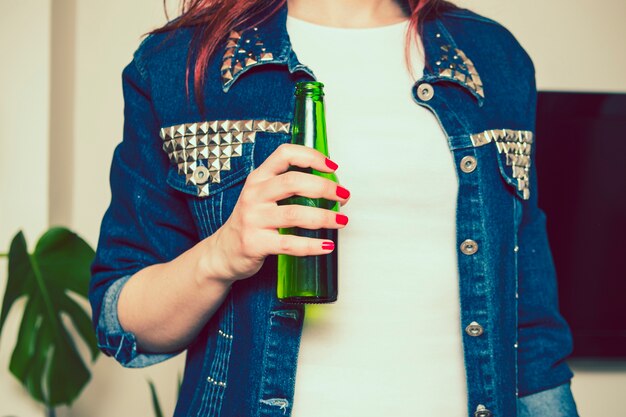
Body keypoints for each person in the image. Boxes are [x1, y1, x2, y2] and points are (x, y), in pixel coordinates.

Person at [88, 0, 579, 416]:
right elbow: (120, 318)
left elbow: (531, 325)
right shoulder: (180, 62)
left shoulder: (493, 57)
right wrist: (221, 254)